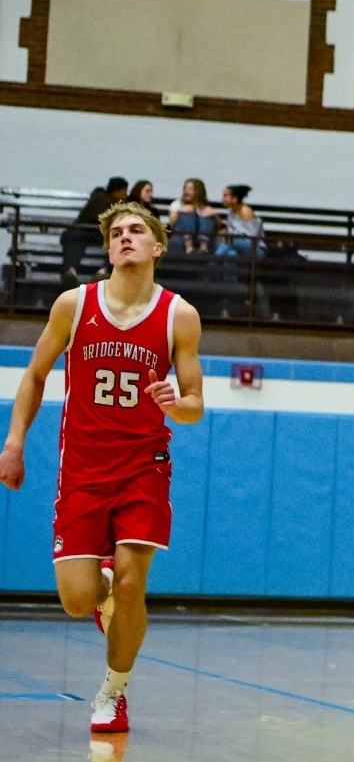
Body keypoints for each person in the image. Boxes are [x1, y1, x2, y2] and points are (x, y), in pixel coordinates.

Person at [0, 202, 205, 734]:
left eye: (137, 230)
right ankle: (104, 593)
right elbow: (35, 375)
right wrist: (14, 442)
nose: (125, 238)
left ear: (158, 246)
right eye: (117, 233)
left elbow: (195, 405)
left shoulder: (179, 315)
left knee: (134, 579)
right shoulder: (74, 304)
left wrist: (173, 403)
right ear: (108, 247)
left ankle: (113, 692)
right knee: (77, 600)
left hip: (144, 465)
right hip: (84, 469)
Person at [60, 177, 127, 284]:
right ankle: (103, 271)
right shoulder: (106, 201)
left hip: (85, 232)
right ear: (115, 191)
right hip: (94, 233)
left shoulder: (99, 198)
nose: (125, 195)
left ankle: (70, 270)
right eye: (123, 191)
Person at [167, 178, 218, 255]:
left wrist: (215, 215)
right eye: (185, 188)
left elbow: (218, 227)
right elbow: (171, 225)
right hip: (181, 234)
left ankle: (203, 248)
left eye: (190, 189)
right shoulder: (177, 204)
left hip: (201, 234)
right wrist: (179, 212)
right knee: (187, 215)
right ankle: (189, 247)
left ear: (198, 192)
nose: (186, 191)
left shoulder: (205, 206)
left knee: (207, 215)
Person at [215, 184, 265, 259]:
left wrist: (231, 236)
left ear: (235, 198)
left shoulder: (245, 211)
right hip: (236, 246)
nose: (222, 199)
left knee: (230, 242)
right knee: (231, 253)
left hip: (255, 248)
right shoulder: (231, 212)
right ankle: (230, 268)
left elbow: (252, 236)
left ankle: (213, 261)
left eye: (225, 196)